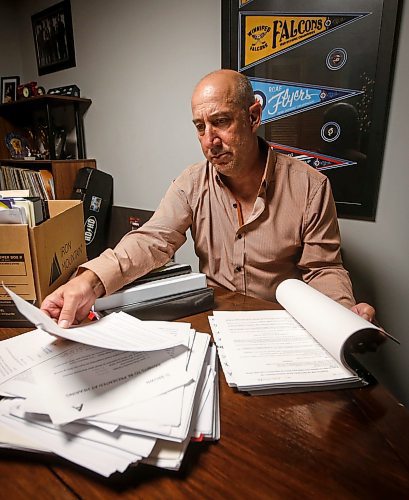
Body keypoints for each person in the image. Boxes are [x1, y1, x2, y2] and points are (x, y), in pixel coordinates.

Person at [41, 69, 375, 328]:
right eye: (200, 127)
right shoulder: (191, 183)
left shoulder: (311, 187)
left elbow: (323, 269)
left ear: (253, 116)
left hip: (281, 328)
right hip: (214, 321)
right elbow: (151, 240)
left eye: (221, 122)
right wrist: (89, 282)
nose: (209, 141)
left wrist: (344, 315)